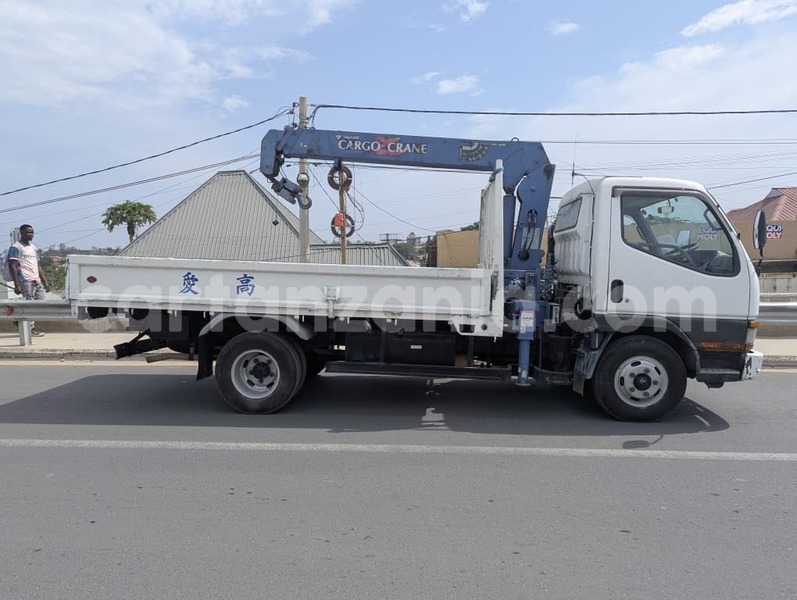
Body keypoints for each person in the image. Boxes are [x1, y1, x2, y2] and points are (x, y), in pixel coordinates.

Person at [8, 224, 50, 337]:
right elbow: (12, 265)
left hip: (36, 280)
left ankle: (17, 319)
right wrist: (17, 284)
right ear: (22, 233)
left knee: (40, 304)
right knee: (29, 305)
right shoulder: (16, 247)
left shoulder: (33, 248)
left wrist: (45, 282)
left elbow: (38, 265)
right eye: (28, 232)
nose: (31, 234)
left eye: (32, 232)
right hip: (25, 280)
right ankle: (30, 328)